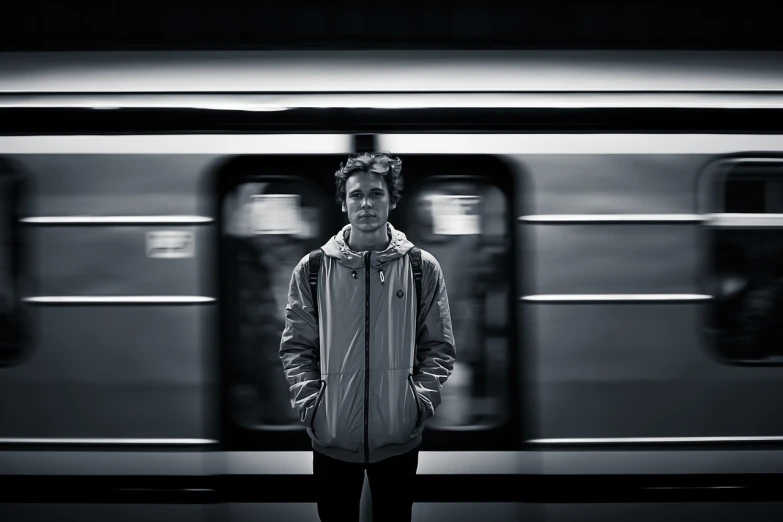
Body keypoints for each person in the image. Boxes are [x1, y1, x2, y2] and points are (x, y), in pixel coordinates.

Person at [279, 152, 456, 522]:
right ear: (343, 204)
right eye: (356, 195)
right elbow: (297, 348)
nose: (366, 204)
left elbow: (438, 346)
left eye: (376, 194)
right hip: (331, 438)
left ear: (391, 200)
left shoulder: (421, 268)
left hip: (398, 437)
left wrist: (416, 405)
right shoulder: (312, 269)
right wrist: (313, 408)